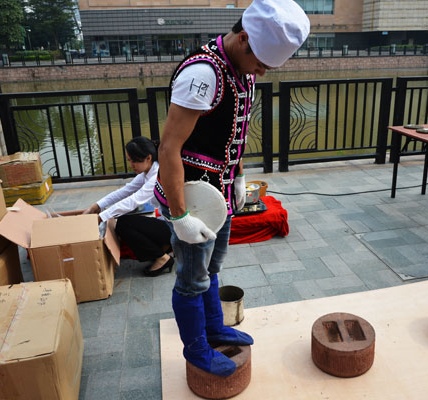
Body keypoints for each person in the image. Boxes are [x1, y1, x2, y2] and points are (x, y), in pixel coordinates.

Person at [154, 0, 309, 377]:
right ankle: (196, 349)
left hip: (219, 195)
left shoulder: (243, 70)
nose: (262, 72)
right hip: (191, 198)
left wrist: (239, 175)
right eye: (261, 63)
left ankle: (214, 327)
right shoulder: (202, 74)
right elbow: (169, 148)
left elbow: (235, 131)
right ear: (243, 39)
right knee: (191, 278)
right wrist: (180, 216)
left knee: (212, 267)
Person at [83, 136, 173, 277]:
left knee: (124, 224)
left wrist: (101, 217)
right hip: (163, 220)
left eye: (134, 160)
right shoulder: (148, 172)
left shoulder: (156, 175)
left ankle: (162, 258)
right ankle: (163, 247)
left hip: (172, 227)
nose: (131, 165)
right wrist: (97, 206)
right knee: (126, 219)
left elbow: (133, 200)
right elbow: (125, 191)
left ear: (148, 158)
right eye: (129, 160)